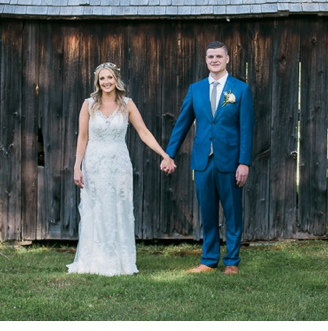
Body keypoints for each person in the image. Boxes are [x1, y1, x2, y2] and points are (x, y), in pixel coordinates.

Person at [67, 62, 176, 276]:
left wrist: (164, 154)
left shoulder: (127, 104)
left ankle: (121, 261)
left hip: (119, 165)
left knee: (119, 209)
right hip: (95, 164)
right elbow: (82, 137)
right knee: (96, 210)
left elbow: (143, 132)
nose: (106, 82)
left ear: (116, 80)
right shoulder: (88, 105)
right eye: (102, 79)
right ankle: (94, 261)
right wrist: (76, 166)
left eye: (110, 78)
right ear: (97, 82)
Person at [165, 41, 254, 275]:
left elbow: (246, 129)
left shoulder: (240, 90)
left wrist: (244, 162)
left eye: (218, 56)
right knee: (208, 212)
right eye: (210, 57)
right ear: (206, 60)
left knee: (233, 212)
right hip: (203, 160)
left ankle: (232, 261)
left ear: (227, 59)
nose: (214, 60)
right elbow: (182, 123)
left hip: (230, 160)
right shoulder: (196, 89)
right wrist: (169, 154)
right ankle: (209, 259)